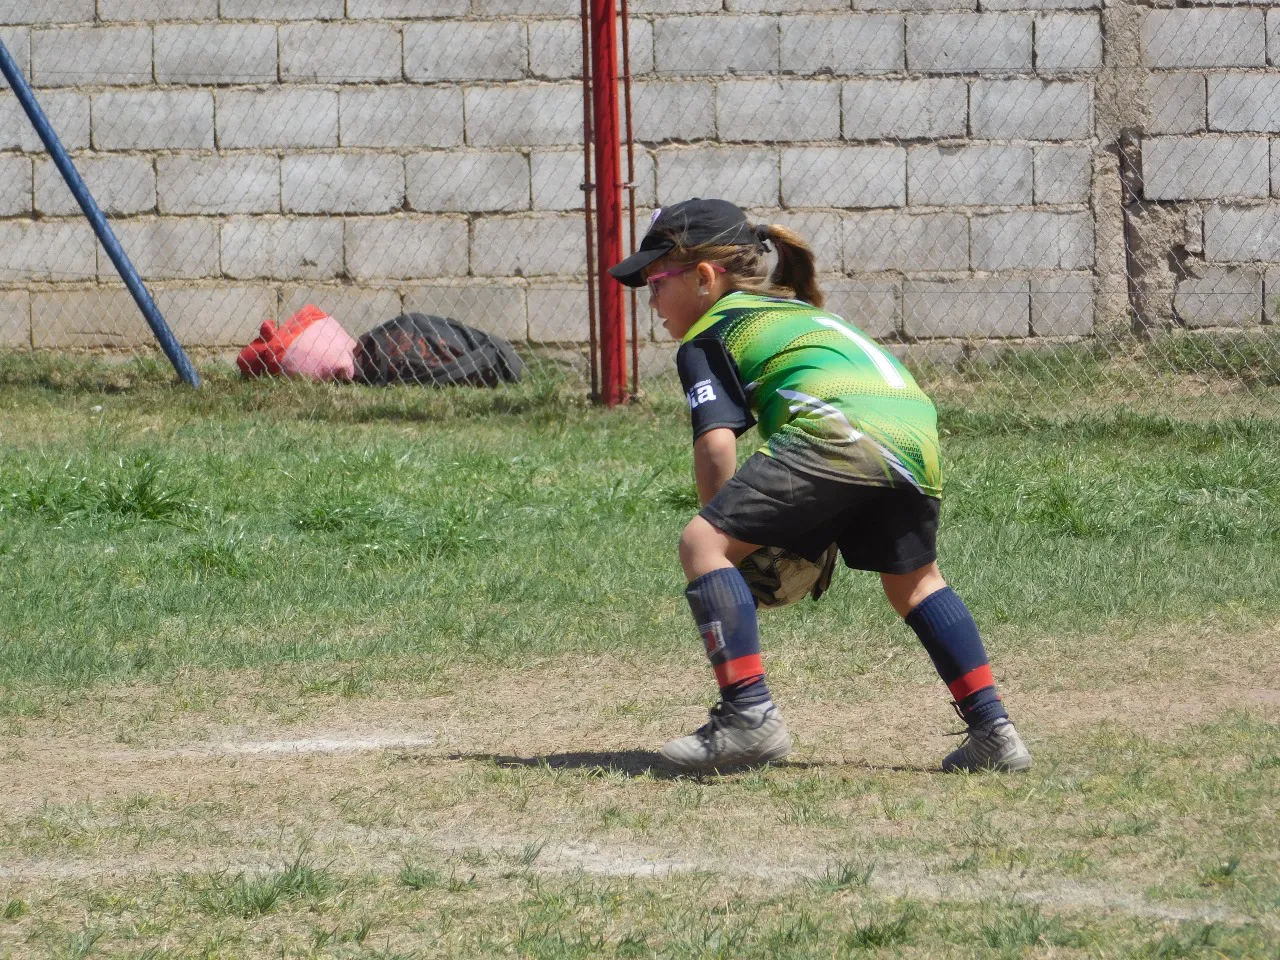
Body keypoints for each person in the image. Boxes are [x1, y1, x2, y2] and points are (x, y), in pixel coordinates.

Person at [607, 198, 1031, 775]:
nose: (649, 299)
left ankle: (748, 716)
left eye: (655, 280)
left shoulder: (710, 333)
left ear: (704, 278)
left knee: (702, 545)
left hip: (838, 429)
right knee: (916, 582)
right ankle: (994, 731)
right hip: (913, 433)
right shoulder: (801, 314)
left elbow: (716, 445)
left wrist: (730, 534)